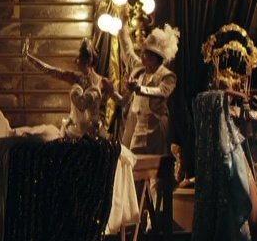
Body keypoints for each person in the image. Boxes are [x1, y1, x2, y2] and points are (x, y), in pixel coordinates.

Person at [25, 40, 114, 139]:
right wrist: (29, 58)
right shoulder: (75, 77)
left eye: (79, 57)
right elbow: (51, 71)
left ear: (88, 60)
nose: (76, 61)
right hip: (72, 132)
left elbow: (120, 101)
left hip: (94, 134)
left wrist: (128, 92)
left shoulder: (102, 82)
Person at [120, 26, 179, 154]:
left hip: (155, 127)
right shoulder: (141, 69)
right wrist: (122, 28)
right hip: (138, 126)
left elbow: (162, 91)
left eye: (145, 53)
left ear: (154, 57)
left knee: (154, 162)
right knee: (133, 158)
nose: (141, 55)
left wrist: (139, 88)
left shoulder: (167, 76)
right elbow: (128, 53)